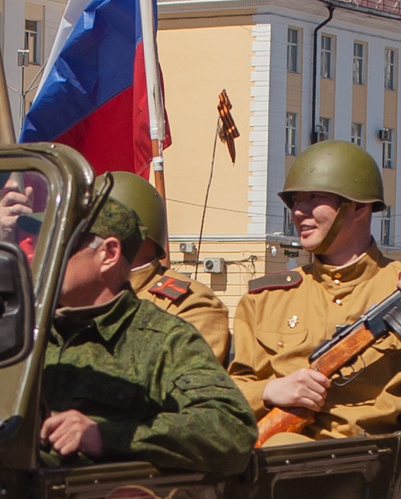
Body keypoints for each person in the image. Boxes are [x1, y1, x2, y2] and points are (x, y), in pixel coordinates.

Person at [229, 141, 401, 440]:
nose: (299, 212)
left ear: (358, 207)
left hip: (370, 467)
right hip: (276, 462)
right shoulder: (265, 299)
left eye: (315, 198)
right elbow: (226, 394)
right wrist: (269, 390)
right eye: (295, 201)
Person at [39, 183, 257, 473]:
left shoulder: (164, 340)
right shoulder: (25, 331)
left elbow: (231, 430)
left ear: (108, 254)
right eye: (43, 242)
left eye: (63, 245)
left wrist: (105, 436)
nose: (44, 256)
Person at [96, 170, 229, 360]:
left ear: (111, 247)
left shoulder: (189, 304)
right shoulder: (71, 297)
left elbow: (183, 381)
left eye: (84, 233)